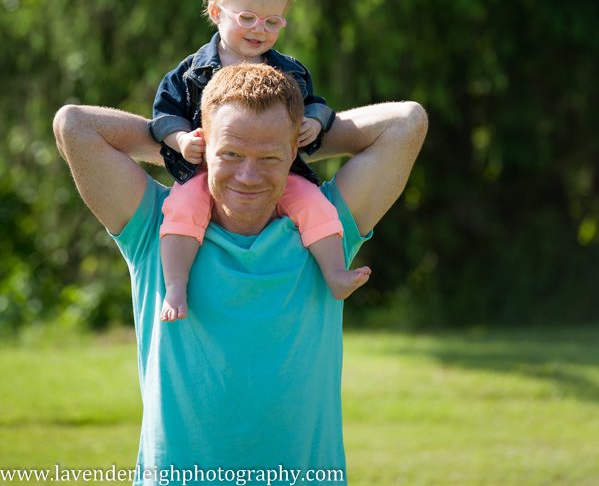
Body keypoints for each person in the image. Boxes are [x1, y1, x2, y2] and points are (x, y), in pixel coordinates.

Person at [53, 64, 427, 481]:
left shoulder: (325, 228)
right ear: (206, 146)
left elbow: (407, 121)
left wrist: (296, 138)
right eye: (230, 154)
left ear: (290, 154)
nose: (247, 176)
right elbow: (74, 126)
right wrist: (178, 143)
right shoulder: (156, 227)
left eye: (269, 157)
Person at [150, 0, 368, 322]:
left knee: (315, 203)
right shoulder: (190, 73)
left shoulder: (290, 71)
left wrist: (314, 120)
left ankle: (335, 273)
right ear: (217, 12)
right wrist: (182, 139)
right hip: (207, 172)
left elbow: (315, 102)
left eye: (272, 22)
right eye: (247, 18)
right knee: (182, 209)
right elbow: (164, 114)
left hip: (276, 171)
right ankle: (177, 286)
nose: (259, 30)